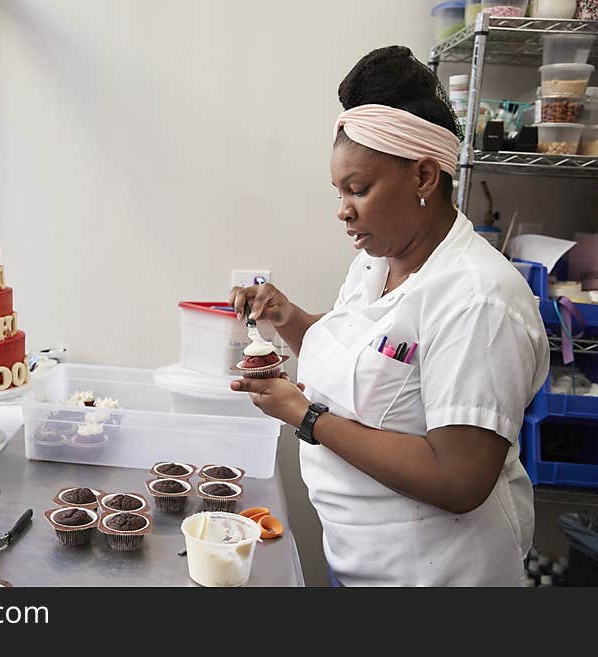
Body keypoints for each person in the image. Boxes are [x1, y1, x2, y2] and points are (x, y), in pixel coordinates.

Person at [229, 46, 549, 586]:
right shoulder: (376, 264)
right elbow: (363, 366)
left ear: (424, 178)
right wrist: (287, 317)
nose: (343, 209)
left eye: (358, 189)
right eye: (339, 191)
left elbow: (458, 478)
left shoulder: (477, 299)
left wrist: (307, 417)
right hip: (359, 562)